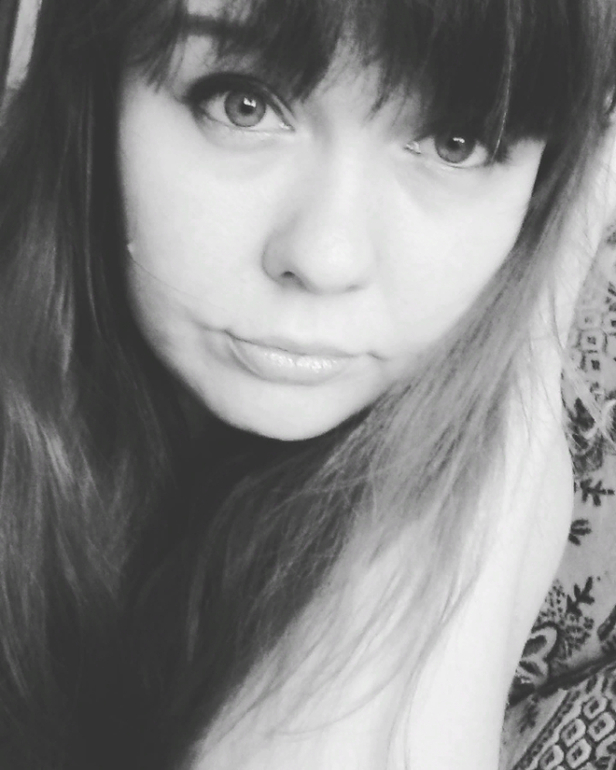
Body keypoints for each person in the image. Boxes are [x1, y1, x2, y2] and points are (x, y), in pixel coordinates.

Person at [0, 0, 615, 768]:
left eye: (456, 142)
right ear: (96, 96)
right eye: (242, 103)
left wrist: (538, 304)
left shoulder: (530, 461)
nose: (325, 257)